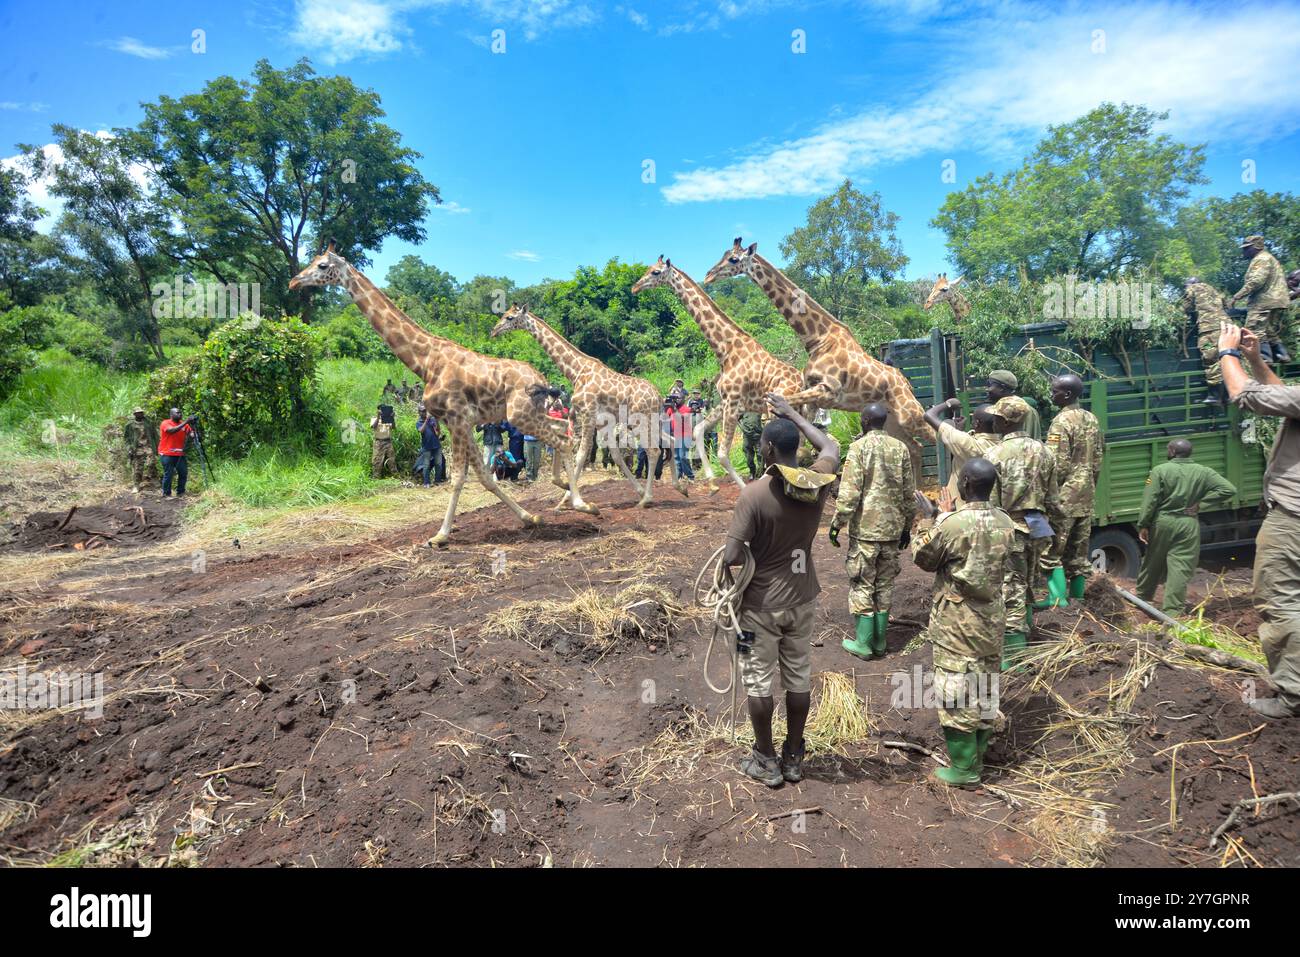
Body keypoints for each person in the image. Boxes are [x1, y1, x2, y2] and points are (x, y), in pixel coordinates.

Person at [724, 393, 840, 787]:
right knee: (798, 677)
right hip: (803, 597)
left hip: (760, 604)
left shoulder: (754, 493)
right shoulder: (819, 480)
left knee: (758, 680)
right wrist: (793, 414)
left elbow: (732, 556)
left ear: (768, 448)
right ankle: (794, 756)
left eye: (761, 444)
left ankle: (765, 759)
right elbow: (831, 444)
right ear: (796, 447)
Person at [911, 459, 1016, 787]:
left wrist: (933, 519)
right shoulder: (1006, 522)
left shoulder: (951, 525)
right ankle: (978, 757)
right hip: (992, 619)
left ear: (966, 485)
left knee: (954, 688)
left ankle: (964, 769)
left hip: (957, 621)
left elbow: (923, 557)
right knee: (985, 682)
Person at [1218, 322, 1300, 718]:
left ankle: (1292, 697)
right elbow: (1283, 396)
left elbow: (1244, 395)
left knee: (1280, 599)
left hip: (1293, 517)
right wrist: (1254, 357)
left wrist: (1227, 354)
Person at [829, 402, 916, 660]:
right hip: (892, 531)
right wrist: (906, 528)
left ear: (865, 421)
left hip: (865, 532)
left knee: (862, 584)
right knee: (885, 584)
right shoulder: (900, 448)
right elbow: (908, 494)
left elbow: (849, 494)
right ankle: (880, 642)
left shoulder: (858, 448)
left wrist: (836, 524)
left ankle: (864, 644)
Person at [985, 395, 1061, 669]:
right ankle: (1026, 640)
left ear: (1004, 421)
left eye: (996, 416)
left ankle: (1014, 658)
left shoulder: (994, 454)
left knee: (1011, 589)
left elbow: (990, 504)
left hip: (1009, 530)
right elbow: (1054, 498)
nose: (993, 419)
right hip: (1038, 527)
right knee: (1028, 584)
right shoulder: (1044, 451)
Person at [1134, 439, 1235, 618]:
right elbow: (1228, 489)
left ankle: (1142, 597)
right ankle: (1172, 611)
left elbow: (1149, 501)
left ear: (1172, 451)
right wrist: (1201, 504)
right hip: (1188, 523)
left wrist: (1143, 524)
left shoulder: (1160, 470)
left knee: (1153, 560)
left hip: (1163, 522)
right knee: (1180, 565)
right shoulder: (1203, 472)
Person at [1040, 374, 1104, 606]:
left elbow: (1058, 464)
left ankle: (1057, 601)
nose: (1051, 394)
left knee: (1051, 551)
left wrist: (1046, 494)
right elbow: (1097, 460)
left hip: (1064, 498)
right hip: (1085, 496)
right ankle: (1077, 599)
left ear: (1067, 394)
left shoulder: (1061, 422)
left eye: (1054, 390)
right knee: (1078, 555)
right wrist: (1089, 485)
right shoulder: (1091, 419)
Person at [924, 397, 999, 506]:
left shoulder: (967, 443)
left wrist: (948, 404)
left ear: (977, 423)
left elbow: (929, 415)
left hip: (958, 508)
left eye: (972, 420)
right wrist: (959, 431)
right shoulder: (999, 445)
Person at [1229, 235, 1291, 364]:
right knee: (1267, 329)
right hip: (1276, 300)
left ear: (1256, 247)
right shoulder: (1269, 258)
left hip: (1264, 301)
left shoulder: (1261, 259)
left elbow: (1256, 281)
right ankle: (1281, 354)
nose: (1244, 251)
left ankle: (1264, 357)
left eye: (1247, 248)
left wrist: (1237, 296)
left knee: (1253, 328)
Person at [1182, 277, 1233, 404]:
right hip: (1227, 327)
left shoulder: (1192, 288)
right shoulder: (1213, 289)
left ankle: (1214, 396)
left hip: (1209, 330)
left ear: (1191, 284)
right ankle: (1229, 395)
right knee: (1227, 358)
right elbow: (1227, 306)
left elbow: (1186, 308)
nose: (1185, 288)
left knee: (1210, 359)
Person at [987, 370, 1041, 440]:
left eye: (990, 385)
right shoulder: (997, 408)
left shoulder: (1023, 409)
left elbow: (1025, 444)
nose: (987, 389)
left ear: (1001, 388)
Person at [158, 407, 196, 497]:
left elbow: (191, 434)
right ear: (171, 415)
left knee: (183, 472)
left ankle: (181, 492)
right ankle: (166, 493)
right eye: (177, 413)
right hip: (167, 453)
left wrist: (194, 433)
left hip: (180, 453)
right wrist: (186, 421)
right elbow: (172, 431)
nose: (180, 414)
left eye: (180, 413)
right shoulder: (165, 423)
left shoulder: (184, 425)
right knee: (169, 474)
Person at [124, 407, 153, 493]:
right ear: (134, 414)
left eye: (141, 412)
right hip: (137, 448)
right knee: (138, 467)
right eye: (138, 413)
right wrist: (129, 448)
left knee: (151, 463)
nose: (140, 414)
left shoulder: (147, 422)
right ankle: (136, 485)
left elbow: (154, 434)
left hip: (148, 446)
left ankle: (152, 481)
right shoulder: (130, 425)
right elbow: (126, 439)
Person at [415, 406, 446, 486]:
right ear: (419, 412)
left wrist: (437, 421)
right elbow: (421, 430)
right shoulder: (419, 422)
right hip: (426, 447)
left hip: (436, 446)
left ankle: (437, 481)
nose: (424, 412)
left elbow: (437, 433)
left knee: (439, 464)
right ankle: (426, 483)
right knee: (426, 465)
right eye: (422, 411)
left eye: (425, 411)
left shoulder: (432, 420)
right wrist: (427, 420)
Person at [370, 405, 397, 479]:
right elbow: (373, 427)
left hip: (388, 441)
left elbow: (394, 427)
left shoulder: (388, 418)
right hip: (378, 442)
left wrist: (392, 417)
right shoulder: (374, 418)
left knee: (391, 460)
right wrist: (378, 417)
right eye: (381, 410)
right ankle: (376, 477)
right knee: (377, 461)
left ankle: (395, 477)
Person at [739, 410, 764, 479]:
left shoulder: (759, 407)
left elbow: (766, 418)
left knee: (760, 455)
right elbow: (736, 418)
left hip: (758, 436)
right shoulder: (743, 409)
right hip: (747, 437)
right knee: (748, 457)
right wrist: (743, 428)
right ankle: (752, 472)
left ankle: (760, 473)